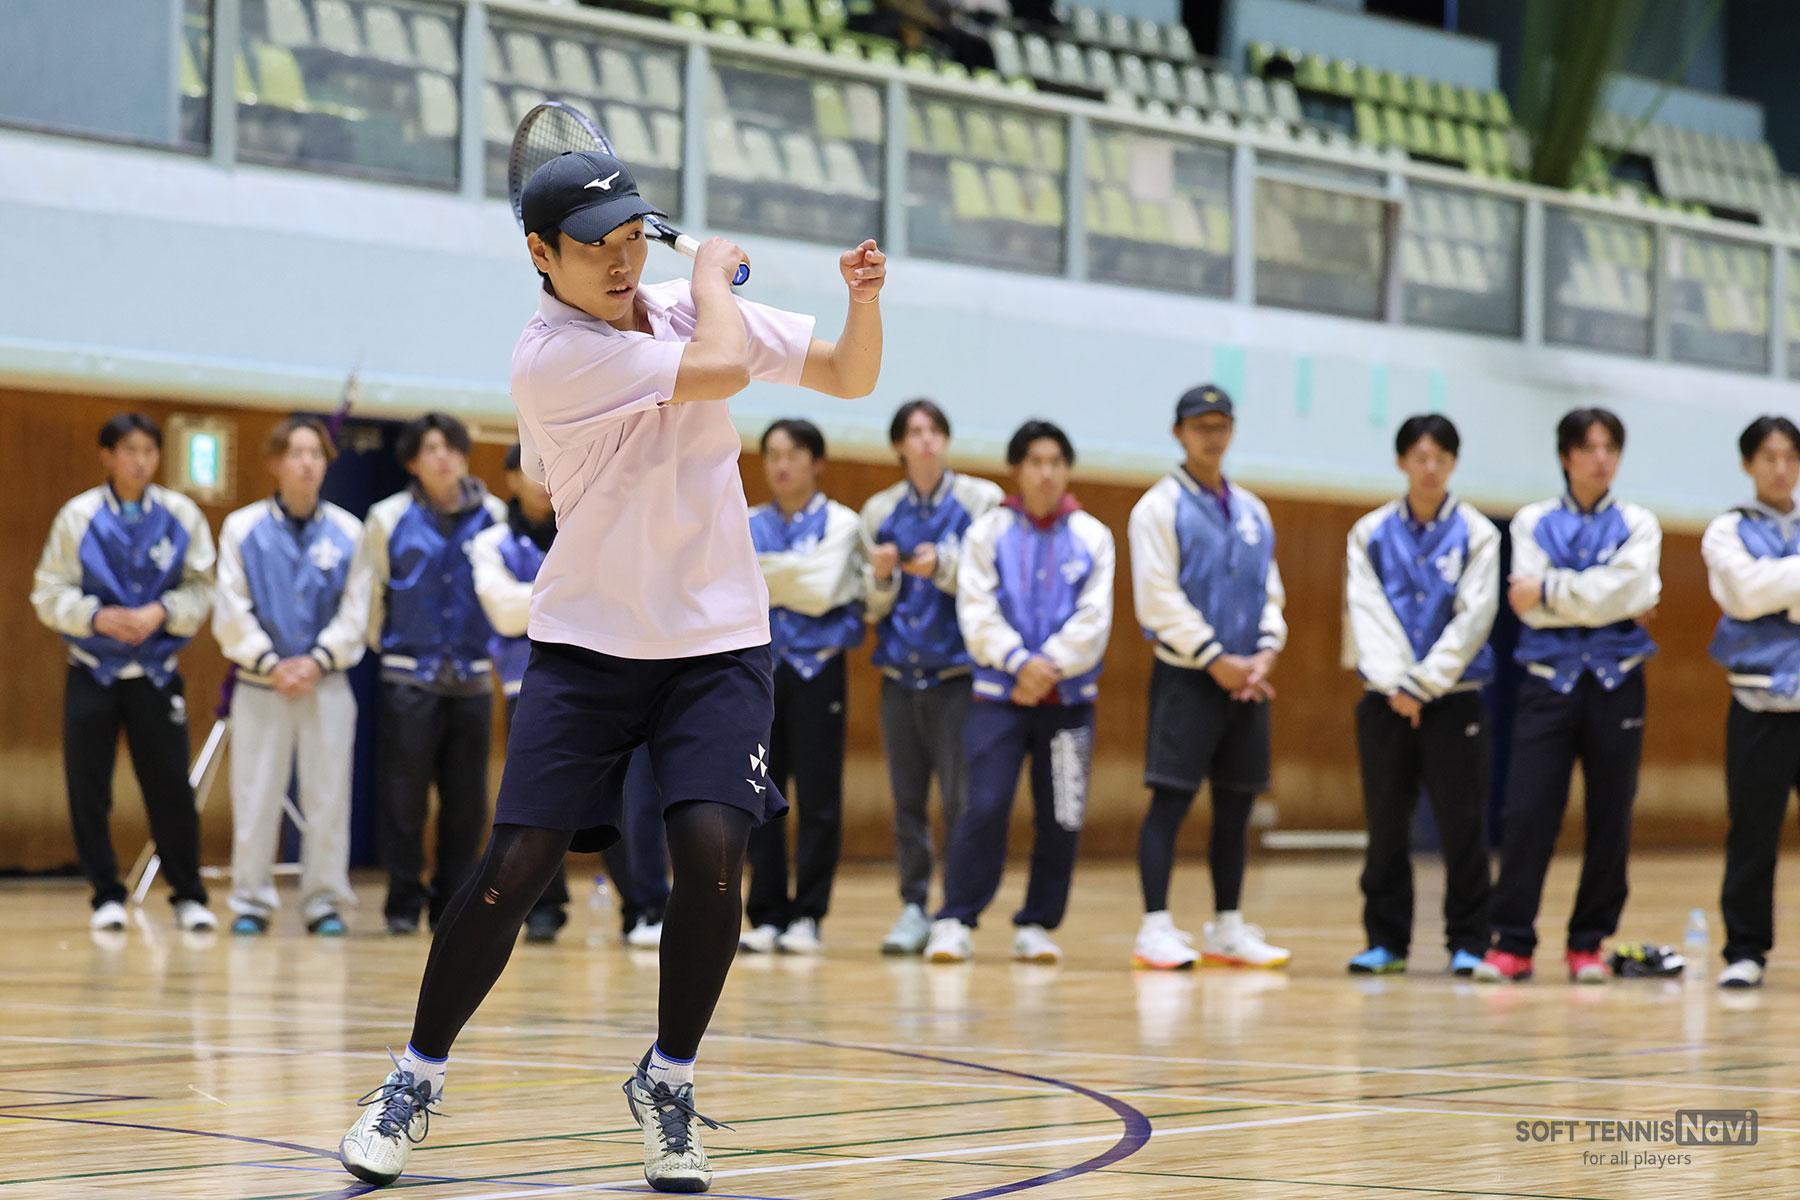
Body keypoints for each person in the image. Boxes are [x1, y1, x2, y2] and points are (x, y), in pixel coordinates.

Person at [338, 146, 885, 1192]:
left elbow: (850, 376)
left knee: (714, 857)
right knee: (515, 867)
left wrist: (861, 302)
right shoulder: (552, 356)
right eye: (598, 247)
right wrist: (713, 273)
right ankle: (414, 1076)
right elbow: (720, 371)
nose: (625, 261)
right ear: (541, 256)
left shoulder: (679, 308)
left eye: (636, 238)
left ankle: (669, 1083)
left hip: (717, 643)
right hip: (588, 646)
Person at [1475, 407, 1661, 985]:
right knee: (1527, 810)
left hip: (1617, 682)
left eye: (1610, 448)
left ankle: (1588, 943)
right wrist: (1607, 598)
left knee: (1611, 813)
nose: (1601, 459)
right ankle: (1512, 942)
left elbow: (1634, 591)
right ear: (1566, 456)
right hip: (1546, 683)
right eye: (1588, 448)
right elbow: (1526, 604)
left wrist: (1553, 591)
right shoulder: (1533, 521)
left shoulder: (1639, 523)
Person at [924, 420, 1113, 965]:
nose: (1046, 473)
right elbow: (976, 609)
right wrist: (1019, 663)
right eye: (1035, 462)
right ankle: (955, 918)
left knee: (1062, 814)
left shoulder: (1094, 536)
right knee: (983, 805)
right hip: (998, 698)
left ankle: (1036, 924)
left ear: (1067, 470)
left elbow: (1094, 618)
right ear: (1016, 469)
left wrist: (1049, 665)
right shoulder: (988, 533)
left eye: (1056, 462)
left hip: (1069, 701)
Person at [471, 445, 671, 947]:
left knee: (623, 804)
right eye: (532, 469)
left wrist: (549, 596)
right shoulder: (491, 542)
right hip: (527, 687)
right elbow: (505, 613)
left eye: (551, 468)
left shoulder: (591, 526)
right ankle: (543, 909)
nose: (543, 480)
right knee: (539, 806)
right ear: (510, 478)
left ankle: (643, 907)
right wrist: (576, 590)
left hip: (607, 681)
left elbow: (619, 594)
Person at [31, 413, 218, 934]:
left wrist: (162, 611)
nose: (141, 461)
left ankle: (188, 896)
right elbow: (48, 591)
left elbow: (202, 585)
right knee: (88, 786)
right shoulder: (78, 516)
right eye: (130, 450)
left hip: (156, 673)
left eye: (149, 451)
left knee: (171, 787)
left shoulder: (180, 514)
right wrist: (95, 616)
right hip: (92, 670)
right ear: (108, 456)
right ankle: (105, 895)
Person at [1127, 385, 1288, 971]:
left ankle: (1227, 927)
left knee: (1236, 805)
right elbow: (1158, 598)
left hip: (1246, 683)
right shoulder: (1157, 508)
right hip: (1188, 678)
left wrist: (1265, 652)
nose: (1211, 436)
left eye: (1220, 425)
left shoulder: (1252, 511)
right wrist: (1215, 657)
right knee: (1170, 800)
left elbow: (1270, 592)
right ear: (1179, 433)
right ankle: (1154, 927)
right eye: (1200, 426)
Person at [1342, 415, 1498, 976]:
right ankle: (1386, 941)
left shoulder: (1479, 533)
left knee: (1463, 827)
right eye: (1420, 457)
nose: (1430, 468)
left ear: (1452, 463)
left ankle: (1469, 942)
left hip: (1455, 699)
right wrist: (1397, 685)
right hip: (1385, 701)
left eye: (1440, 458)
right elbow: (1367, 613)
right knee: (1386, 826)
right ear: (1402, 461)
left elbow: (1474, 617)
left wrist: (1424, 684)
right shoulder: (1369, 532)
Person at [213, 415, 370, 936]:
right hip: (262, 686)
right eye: (297, 453)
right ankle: (251, 902)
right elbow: (230, 606)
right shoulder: (242, 528)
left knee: (329, 798)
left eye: (316, 454)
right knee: (255, 796)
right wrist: (269, 661)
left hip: (326, 685)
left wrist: (317, 659)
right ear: (276, 463)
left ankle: (324, 901)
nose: (307, 463)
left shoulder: (350, 532)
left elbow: (358, 610)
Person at [357, 411, 508, 936]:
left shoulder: (495, 516)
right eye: (430, 448)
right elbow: (370, 592)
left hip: (473, 679)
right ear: (412, 462)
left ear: (465, 455)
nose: (442, 457)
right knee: (403, 799)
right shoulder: (386, 517)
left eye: (451, 447)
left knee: (467, 802)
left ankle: (452, 903)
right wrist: (387, 647)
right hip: (408, 677)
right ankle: (402, 900)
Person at [861, 399, 1003, 954]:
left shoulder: (980, 501)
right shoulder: (880, 509)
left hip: (959, 676)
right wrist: (882, 578)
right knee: (907, 802)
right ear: (899, 445)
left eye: (934, 430)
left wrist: (942, 567)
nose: (925, 439)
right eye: (914, 431)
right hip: (899, 675)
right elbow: (871, 606)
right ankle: (914, 906)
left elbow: (994, 577)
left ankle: (957, 911)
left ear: (945, 439)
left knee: (962, 800)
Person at [740, 419, 864, 955]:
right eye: (772, 454)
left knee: (818, 797)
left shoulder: (843, 523)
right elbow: (741, 587)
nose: (782, 464)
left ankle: (809, 914)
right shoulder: (745, 522)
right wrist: (797, 575)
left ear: (817, 462)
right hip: (759, 673)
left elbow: (822, 590)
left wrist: (771, 577)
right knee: (758, 792)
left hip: (819, 672)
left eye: (793, 454)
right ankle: (767, 914)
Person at [1702, 415, 1800, 989]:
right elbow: (1742, 596)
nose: (1780, 468)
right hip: (1757, 707)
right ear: (1748, 464)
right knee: (1752, 833)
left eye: (1790, 456)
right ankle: (1745, 950)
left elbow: (1761, 590)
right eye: (1768, 457)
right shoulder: (1726, 529)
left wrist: (1774, 589)